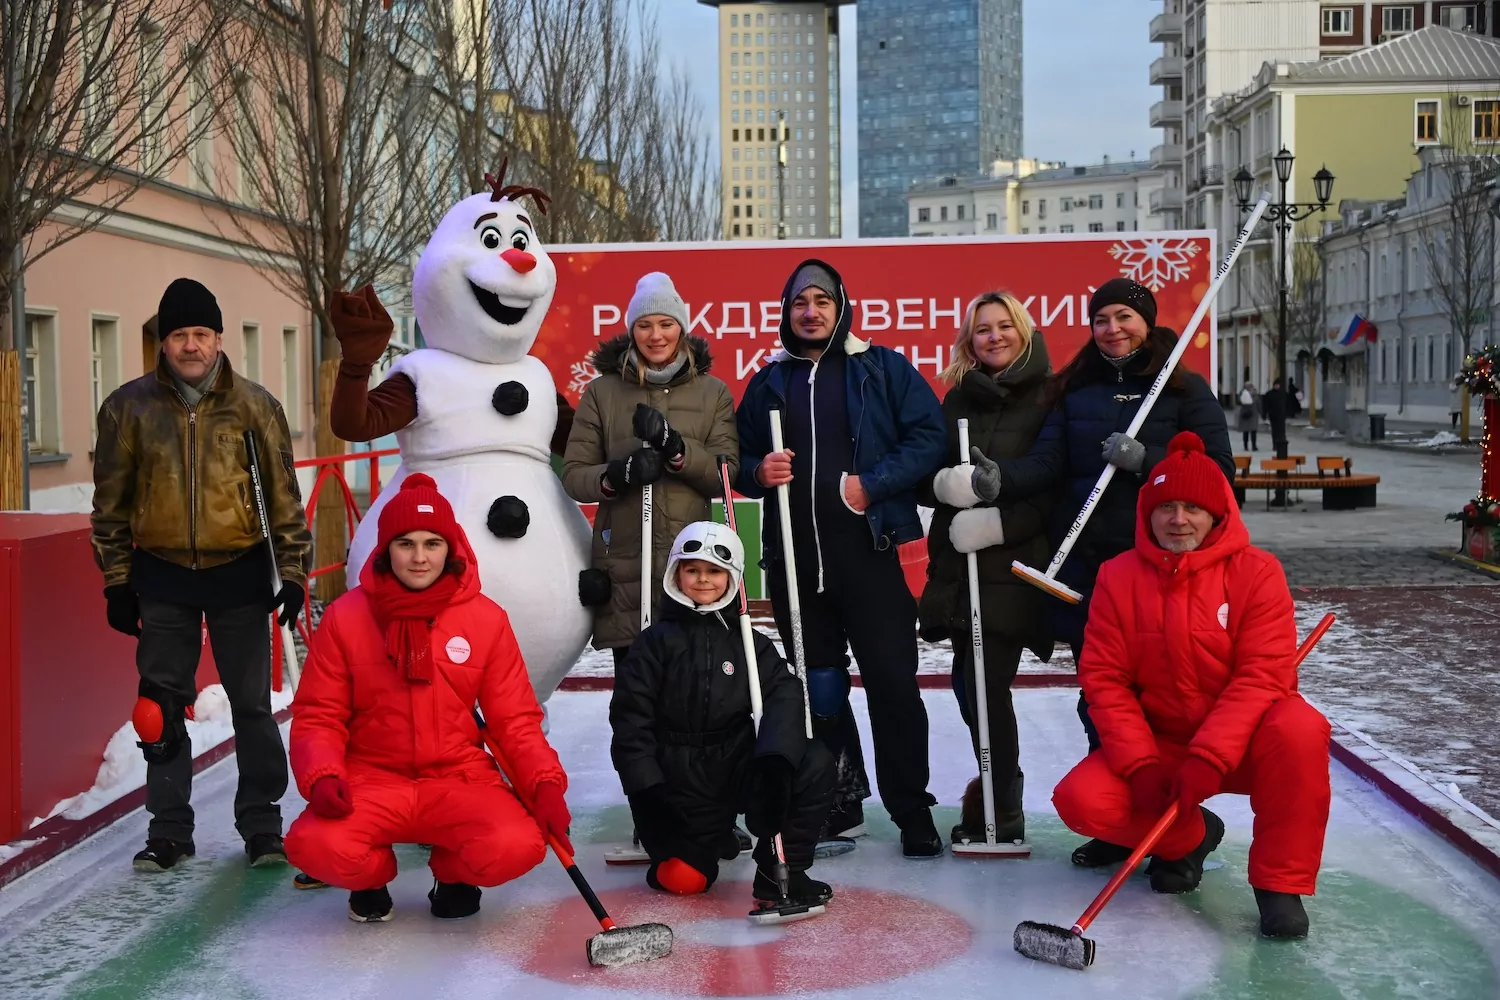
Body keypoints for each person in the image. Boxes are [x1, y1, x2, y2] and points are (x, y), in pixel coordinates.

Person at [986, 277, 1233, 868]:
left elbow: (1220, 476)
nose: (1113, 329)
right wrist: (999, 479)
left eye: (1124, 316)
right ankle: (1125, 821)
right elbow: (1049, 462)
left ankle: (1181, 828)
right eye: (1101, 319)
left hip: (1164, 571)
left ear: (1147, 322)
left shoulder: (1183, 388)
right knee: (1103, 699)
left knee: (1162, 699)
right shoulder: (1075, 389)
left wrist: (1149, 461)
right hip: (1092, 571)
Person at [1051, 431, 1331, 939]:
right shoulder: (1118, 576)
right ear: (1148, 513)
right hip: (1164, 741)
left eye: (1193, 508)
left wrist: (1210, 756)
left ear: (1217, 514)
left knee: (1300, 727)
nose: (1178, 519)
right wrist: (1139, 763)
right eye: (1166, 507)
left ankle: (1279, 886)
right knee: (1081, 800)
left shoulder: (1258, 573)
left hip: (1246, 741)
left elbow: (1261, 677)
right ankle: (1191, 837)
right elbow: (1106, 679)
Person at [91, 277, 311, 873]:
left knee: (252, 706)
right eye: (179, 335)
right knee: (158, 709)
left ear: (219, 339)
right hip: (162, 574)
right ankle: (169, 829)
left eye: (202, 334)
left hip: (239, 570)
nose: (191, 345)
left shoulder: (255, 406)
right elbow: (110, 507)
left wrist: (293, 574)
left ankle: (261, 822)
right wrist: (116, 581)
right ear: (163, 343)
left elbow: (284, 501)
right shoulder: (128, 409)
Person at [284, 475, 572, 922]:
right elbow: (319, 714)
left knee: (517, 844)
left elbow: (514, 719)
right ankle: (370, 878)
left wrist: (544, 783)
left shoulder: (486, 619)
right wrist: (321, 774)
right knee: (313, 844)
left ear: (450, 548)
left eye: (432, 544)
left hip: (457, 776)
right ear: (386, 549)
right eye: (406, 544)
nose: (419, 558)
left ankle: (452, 874)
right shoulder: (346, 617)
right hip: (371, 776)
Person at [736, 259, 948, 858]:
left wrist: (873, 485)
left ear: (841, 307)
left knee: (892, 686)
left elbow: (928, 438)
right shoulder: (769, 381)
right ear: (786, 312)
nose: (811, 312)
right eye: (800, 303)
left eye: (822, 301)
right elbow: (738, 456)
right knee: (820, 691)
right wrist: (757, 471)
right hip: (796, 564)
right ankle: (837, 802)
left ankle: (912, 810)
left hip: (872, 556)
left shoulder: (880, 368)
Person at [610, 522, 835, 908]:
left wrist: (775, 765)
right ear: (676, 573)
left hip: (734, 759)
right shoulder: (653, 643)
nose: (703, 580)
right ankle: (702, 841)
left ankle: (780, 871)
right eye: (692, 569)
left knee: (814, 762)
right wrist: (647, 792)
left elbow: (784, 695)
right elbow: (630, 721)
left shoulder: (748, 641)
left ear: (731, 578)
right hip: (678, 776)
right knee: (685, 880)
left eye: (714, 571)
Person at [917, 292, 1053, 846]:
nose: (994, 337)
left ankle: (1003, 807)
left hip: (1013, 562)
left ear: (1023, 330)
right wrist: (943, 485)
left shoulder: (1049, 396)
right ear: (968, 341)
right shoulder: (958, 398)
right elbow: (930, 470)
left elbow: (1057, 481)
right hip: (960, 565)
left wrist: (998, 523)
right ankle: (995, 793)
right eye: (982, 329)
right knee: (968, 685)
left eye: (1004, 326)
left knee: (985, 685)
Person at [562, 272, 739, 663]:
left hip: (690, 562)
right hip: (625, 564)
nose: (655, 336)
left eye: (665, 324)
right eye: (644, 325)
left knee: (692, 680)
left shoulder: (713, 394)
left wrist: (677, 450)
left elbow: (725, 476)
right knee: (635, 683)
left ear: (681, 328)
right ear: (632, 331)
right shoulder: (602, 392)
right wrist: (617, 475)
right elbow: (574, 475)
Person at [1262, 378, 1290, 457]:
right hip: (1273, 416)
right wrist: (1265, 415)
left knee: (1282, 431)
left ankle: (1282, 445)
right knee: (1274, 431)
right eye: (1276, 385)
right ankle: (1275, 445)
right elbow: (1265, 405)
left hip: (1281, 416)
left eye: (1278, 385)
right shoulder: (1269, 394)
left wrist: (1287, 413)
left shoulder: (1283, 394)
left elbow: (1287, 404)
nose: (1277, 386)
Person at [1237, 382, 1260, 452]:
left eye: (1249, 386)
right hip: (1246, 414)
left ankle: (1253, 446)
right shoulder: (1243, 394)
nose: (1249, 388)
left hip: (1252, 415)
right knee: (1246, 431)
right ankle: (1247, 446)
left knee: (1252, 431)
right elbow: (1239, 401)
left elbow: (1258, 404)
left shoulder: (1254, 395)